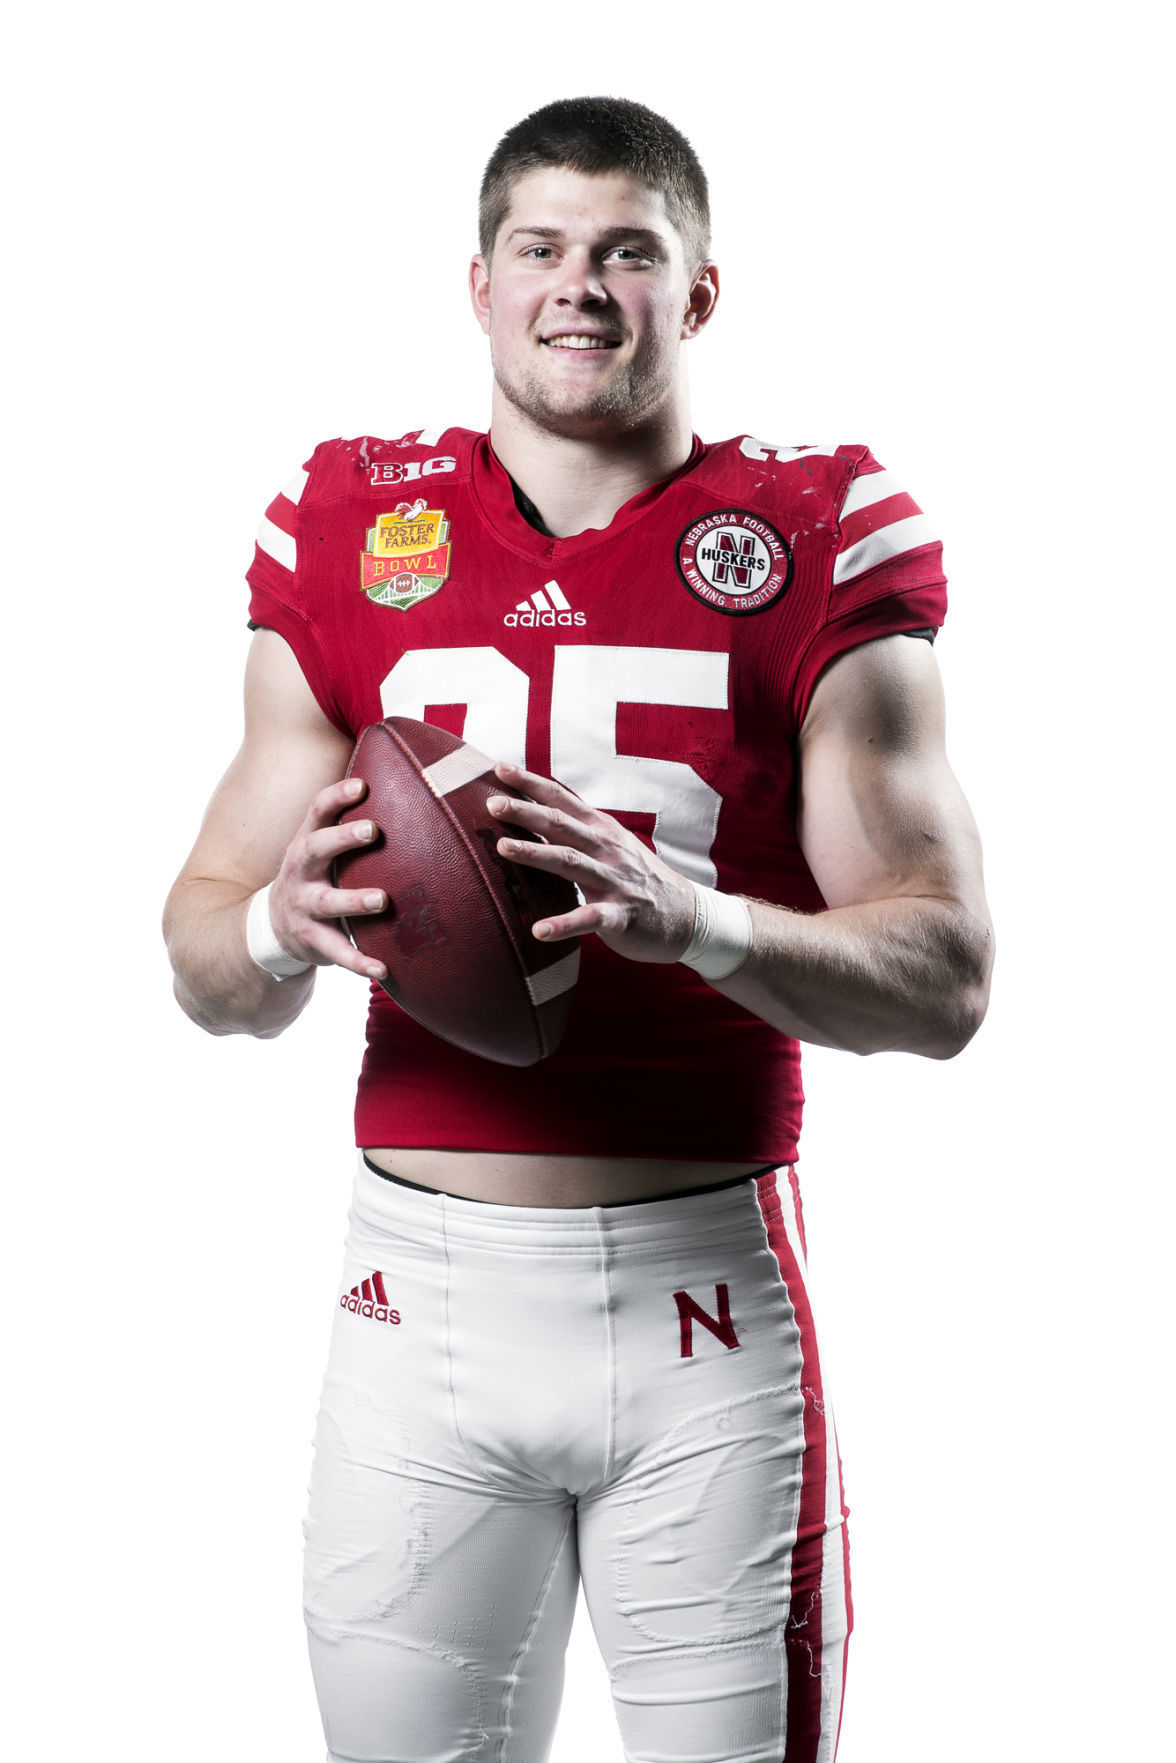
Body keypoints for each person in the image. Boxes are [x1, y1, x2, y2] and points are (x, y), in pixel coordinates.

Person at [164, 95, 992, 1763]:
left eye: (629, 252)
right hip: (412, 1310)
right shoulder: (349, 523)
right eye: (540, 249)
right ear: (479, 285)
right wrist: (279, 930)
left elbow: (947, 978)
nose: (580, 288)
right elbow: (201, 956)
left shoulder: (819, 529)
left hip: (706, 1312)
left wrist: (704, 924)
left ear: (699, 291)